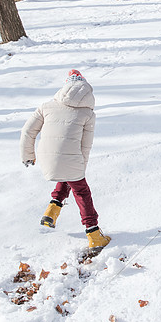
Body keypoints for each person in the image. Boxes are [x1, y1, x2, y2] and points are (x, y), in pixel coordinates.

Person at [20, 70, 111, 250]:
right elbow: (86, 146)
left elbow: (27, 131)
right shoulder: (88, 114)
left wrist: (28, 156)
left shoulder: (46, 106)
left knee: (67, 174)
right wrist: (80, 168)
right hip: (71, 159)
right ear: (86, 90)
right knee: (81, 190)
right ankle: (93, 233)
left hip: (45, 158)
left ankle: (52, 212)